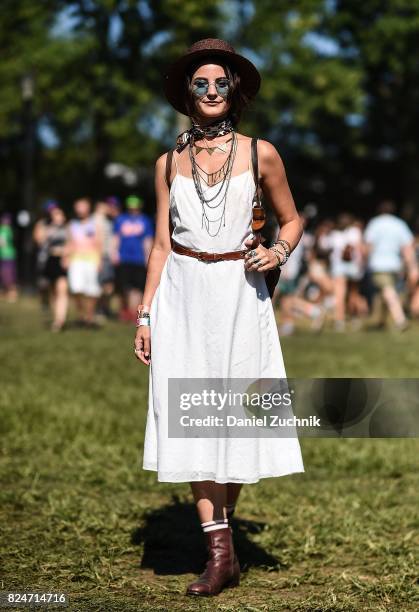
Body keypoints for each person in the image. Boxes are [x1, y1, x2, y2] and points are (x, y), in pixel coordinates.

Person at [134, 38, 305, 597]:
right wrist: (144, 315)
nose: (210, 91)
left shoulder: (262, 153)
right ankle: (219, 551)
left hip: (240, 292)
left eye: (220, 83)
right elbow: (160, 245)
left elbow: (292, 222)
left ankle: (221, 541)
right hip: (181, 294)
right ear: (188, 92)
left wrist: (277, 253)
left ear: (235, 91)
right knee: (189, 414)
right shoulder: (168, 161)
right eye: (200, 83)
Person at [363, 200, 418, 331]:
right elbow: (407, 248)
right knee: (384, 292)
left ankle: (400, 320)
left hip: (378, 264)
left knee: (387, 291)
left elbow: (368, 245)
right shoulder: (400, 224)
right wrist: (412, 266)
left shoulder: (374, 224)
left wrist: (364, 261)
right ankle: (381, 323)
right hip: (395, 264)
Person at [112, 195, 154, 322]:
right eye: (131, 207)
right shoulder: (120, 219)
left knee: (136, 288)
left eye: (135, 207)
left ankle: (133, 313)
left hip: (139, 259)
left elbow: (147, 240)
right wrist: (114, 252)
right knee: (124, 288)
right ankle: (124, 310)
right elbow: (116, 237)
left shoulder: (145, 221)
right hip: (124, 258)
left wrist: (148, 257)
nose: (133, 210)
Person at [66, 197, 103, 328]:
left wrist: (99, 261)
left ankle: (89, 316)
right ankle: (81, 314)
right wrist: (66, 258)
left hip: (91, 260)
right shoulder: (72, 225)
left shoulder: (94, 224)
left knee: (92, 290)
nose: (80, 209)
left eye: (83, 206)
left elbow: (99, 243)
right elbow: (69, 243)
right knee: (76, 289)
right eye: (78, 206)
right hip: (75, 260)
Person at [40, 203, 69, 331]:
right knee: (53, 291)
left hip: (63, 260)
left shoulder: (68, 228)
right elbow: (39, 240)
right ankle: (56, 318)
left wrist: (67, 256)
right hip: (50, 260)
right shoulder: (45, 227)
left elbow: (72, 243)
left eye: (59, 214)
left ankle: (60, 320)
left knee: (62, 290)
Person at [0, 213, 17, 302]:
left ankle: (11, 294)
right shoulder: (8, 230)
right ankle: (9, 294)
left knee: (8, 275)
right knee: (7, 275)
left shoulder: (4, 230)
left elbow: (3, 243)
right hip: (6, 255)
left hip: (7, 255)